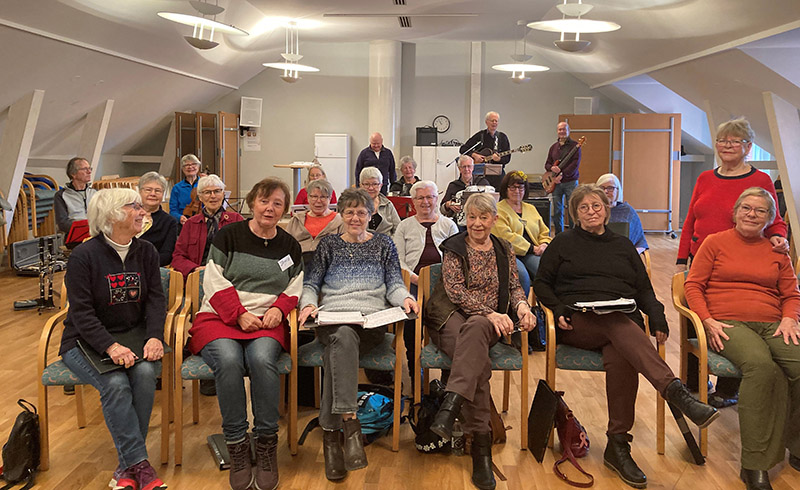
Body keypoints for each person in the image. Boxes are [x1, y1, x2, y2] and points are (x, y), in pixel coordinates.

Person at [533, 184, 718, 489]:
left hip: (619, 324)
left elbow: (643, 288)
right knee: (618, 326)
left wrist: (656, 314)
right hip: (577, 323)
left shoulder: (622, 245)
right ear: (575, 213)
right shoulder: (562, 243)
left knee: (621, 351)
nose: (591, 211)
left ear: (607, 210)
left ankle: (618, 445)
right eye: (584, 207)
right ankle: (676, 392)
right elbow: (541, 284)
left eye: (597, 206)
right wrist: (558, 307)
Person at [187, 178, 303, 490]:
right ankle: (237, 443)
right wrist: (238, 314)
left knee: (263, 359)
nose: (270, 208)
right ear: (252, 203)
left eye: (278, 203)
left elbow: (295, 284)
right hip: (221, 317)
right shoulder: (229, 235)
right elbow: (212, 280)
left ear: (284, 210)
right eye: (265, 201)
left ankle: (265, 443)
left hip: (267, 320)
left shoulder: (289, 245)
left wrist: (280, 307)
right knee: (228, 360)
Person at [298, 188, 418, 482]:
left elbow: (393, 283)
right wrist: (309, 303)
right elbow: (311, 283)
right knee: (341, 336)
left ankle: (332, 440)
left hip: (370, 324)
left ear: (371, 215)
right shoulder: (328, 245)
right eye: (349, 212)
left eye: (361, 212)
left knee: (341, 343)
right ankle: (350, 424)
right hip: (332, 318)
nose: (355, 217)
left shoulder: (384, 244)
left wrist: (405, 298)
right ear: (341, 214)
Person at [684, 187, 800, 490]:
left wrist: (789, 317)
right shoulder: (714, 243)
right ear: (735, 212)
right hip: (727, 322)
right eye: (746, 208)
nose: (752, 214)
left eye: (760, 211)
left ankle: (797, 445)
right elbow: (693, 285)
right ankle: (754, 464)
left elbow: (791, 293)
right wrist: (707, 320)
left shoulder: (776, 250)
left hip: (773, 323)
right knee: (762, 367)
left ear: (770, 218)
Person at [424, 193, 535, 490]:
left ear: (494, 220)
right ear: (465, 219)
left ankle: (451, 405)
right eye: (471, 217)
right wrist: (491, 313)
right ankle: (480, 447)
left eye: (483, 217)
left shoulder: (504, 248)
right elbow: (456, 291)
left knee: (475, 332)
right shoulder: (453, 248)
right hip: (450, 316)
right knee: (477, 361)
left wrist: (522, 307)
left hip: (488, 323)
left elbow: (513, 285)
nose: (476, 223)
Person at [59, 188, 167, 490]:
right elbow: (81, 313)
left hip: (132, 334)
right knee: (116, 384)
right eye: (134, 206)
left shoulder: (146, 251)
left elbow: (156, 300)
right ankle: (140, 466)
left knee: (145, 374)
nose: (142, 211)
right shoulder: (83, 256)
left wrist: (154, 336)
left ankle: (128, 467)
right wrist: (110, 345)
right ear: (112, 215)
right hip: (84, 341)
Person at [677, 117, 788, 408]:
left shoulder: (759, 180)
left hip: (739, 257)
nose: (727, 146)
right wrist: (680, 258)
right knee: (696, 314)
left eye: (734, 141)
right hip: (700, 254)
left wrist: (779, 238)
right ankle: (694, 385)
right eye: (722, 141)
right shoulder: (705, 178)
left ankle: (728, 389)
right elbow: (691, 219)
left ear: (748, 147)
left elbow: (773, 220)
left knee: (732, 317)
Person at [393, 180, 458, 388]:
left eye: (429, 197)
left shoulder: (448, 225)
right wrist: (415, 278)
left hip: (443, 285)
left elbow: (456, 258)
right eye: (420, 197)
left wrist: (439, 277)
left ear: (437, 199)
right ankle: (416, 378)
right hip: (413, 283)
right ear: (413, 201)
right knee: (412, 324)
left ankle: (448, 381)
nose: (425, 201)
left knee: (450, 325)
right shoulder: (404, 226)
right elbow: (398, 260)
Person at [491, 170, 551, 296]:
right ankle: (522, 311)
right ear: (505, 189)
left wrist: (544, 244)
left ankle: (543, 310)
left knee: (546, 272)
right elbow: (506, 237)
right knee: (521, 276)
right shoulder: (498, 209)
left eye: (521, 187)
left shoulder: (531, 208)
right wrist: (532, 248)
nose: (517, 191)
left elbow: (544, 231)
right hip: (508, 253)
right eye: (512, 187)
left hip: (533, 252)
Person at [172, 174, 243, 279]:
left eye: (217, 191)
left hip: (229, 277)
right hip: (198, 277)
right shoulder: (190, 223)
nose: (213, 196)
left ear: (223, 194)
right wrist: (196, 269)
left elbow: (244, 255)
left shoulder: (237, 220)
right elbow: (178, 257)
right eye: (207, 192)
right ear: (200, 197)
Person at [285, 178, 344, 267]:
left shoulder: (340, 221)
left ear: (330, 198)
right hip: (298, 267)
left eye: (323, 197)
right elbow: (285, 249)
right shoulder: (296, 221)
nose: (318, 201)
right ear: (308, 198)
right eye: (314, 197)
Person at [596, 173, 648, 253]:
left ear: (618, 190)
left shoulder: (628, 212)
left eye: (610, 188)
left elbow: (640, 243)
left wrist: (633, 255)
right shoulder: (591, 211)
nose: (605, 191)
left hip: (622, 256)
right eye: (601, 188)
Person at [545, 121, 582, 234]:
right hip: (555, 183)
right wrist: (552, 168)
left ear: (568, 131)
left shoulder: (575, 146)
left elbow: (575, 165)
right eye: (560, 129)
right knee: (557, 210)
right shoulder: (553, 147)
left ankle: (573, 234)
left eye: (564, 129)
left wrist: (562, 174)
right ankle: (559, 235)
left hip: (570, 182)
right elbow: (547, 164)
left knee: (572, 209)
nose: (562, 131)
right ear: (557, 131)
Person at [460, 111, 511, 189]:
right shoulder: (480, 136)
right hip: (480, 175)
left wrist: (499, 159)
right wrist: (474, 155)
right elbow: (463, 149)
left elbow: (507, 158)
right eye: (492, 120)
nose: (494, 123)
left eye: (496, 121)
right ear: (486, 122)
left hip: (497, 175)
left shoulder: (502, 137)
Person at [137, 172, 177, 267]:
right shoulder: (128, 215)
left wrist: (140, 264)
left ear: (163, 194)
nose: (152, 194)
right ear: (139, 191)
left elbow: (166, 255)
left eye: (158, 191)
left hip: (150, 267)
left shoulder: (169, 222)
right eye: (148, 190)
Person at [441, 155, 491, 228]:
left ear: (473, 167)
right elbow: (442, 210)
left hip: (479, 220)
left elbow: (491, 203)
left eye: (469, 166)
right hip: (460, 223)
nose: (466, 169)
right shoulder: (453, 185)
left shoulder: (482, 182)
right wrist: (448, 205)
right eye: (463, 167)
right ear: (459, 169)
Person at [54, 156, 97, 235]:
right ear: (73, 174)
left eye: (90, 168)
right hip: (75, 235)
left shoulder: (95, 193)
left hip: (95, 233)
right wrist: (84, 228)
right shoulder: (61, 195)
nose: (89, 172)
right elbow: (63, 223)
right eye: (85, 169)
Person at [360, 166, 400, 236]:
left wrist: (391, 244)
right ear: (360, 185)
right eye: (366, 184)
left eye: (375, 184)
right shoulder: (354, 205)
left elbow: (399, 230)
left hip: (387, 244)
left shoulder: (388, 204)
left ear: (380, 186)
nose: (371, 188)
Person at [169, 154, 205, 225]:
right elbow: (173, 211)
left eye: (194, 164)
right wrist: (180, 217)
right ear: (182, 168)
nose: (190, 167)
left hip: (203, 220)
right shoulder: (177, 188)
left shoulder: (205, 184)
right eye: (186, 165)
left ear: (198, 166)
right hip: (184, 221)